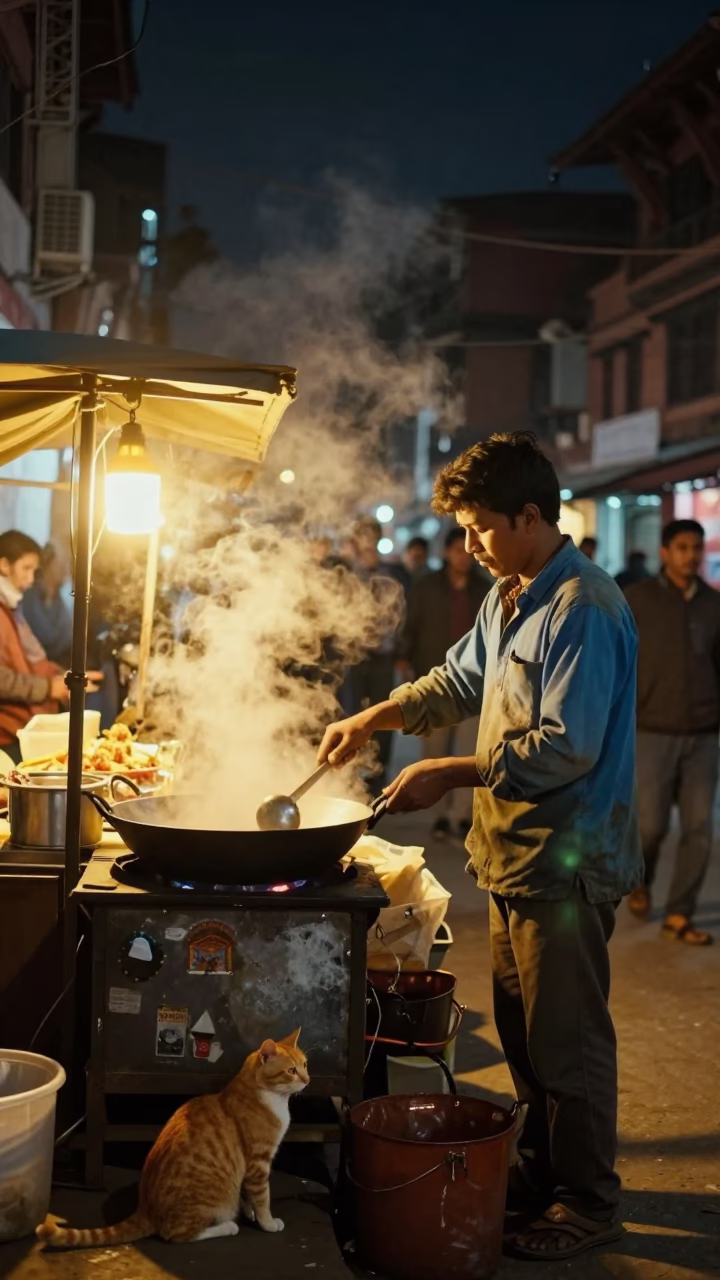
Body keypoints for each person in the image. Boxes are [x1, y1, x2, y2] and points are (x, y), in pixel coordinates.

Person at [319, 432, 642, 1260]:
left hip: (567, 863)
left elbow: (567, 748)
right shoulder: (509, 597)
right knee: (529, 1043)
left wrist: (448, 770)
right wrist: (373, 719)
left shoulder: (586, 608)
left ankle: (590, 1200)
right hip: (509, 860)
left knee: (568, 1046)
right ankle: (540, 1176)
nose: (469, 545)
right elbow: (455, 683)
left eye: (479, 526)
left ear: (530, 516)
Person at [624, 519, 720, 945]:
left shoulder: (713, 605)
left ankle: (680, 913)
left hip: (703, 733)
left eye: (696, 547)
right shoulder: (638, 601)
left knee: (699, 828)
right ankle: (640, 881)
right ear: (665, 553)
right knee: (650, 827)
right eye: (682, 547)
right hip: (651, 730)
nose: (691, 555)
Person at [401, 526, 491, 839]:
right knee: (435, 753)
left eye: (467, 551)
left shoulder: (485, 588)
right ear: (446, 553)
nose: (463, 556)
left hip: (478, 683)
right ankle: (439, 814)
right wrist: (405, 661)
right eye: (456, 550)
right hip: (434, 675)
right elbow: (411, 626)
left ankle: (462, 813)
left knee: (470, 754)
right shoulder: (427, 587)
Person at [337, 517, 405, 790]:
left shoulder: (391, 575)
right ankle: (350, 779)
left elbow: (404, 616)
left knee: (383, 718)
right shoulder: (346, 576)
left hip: (383, 658)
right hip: (353, 658)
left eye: (370, 535)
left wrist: (400, 648)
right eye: (361, 536)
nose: (366, 541)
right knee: (351, 716)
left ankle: (378, 781)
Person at [22, 542, 73, 666]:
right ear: (47, 566)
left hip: (55, 668)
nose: (66, 570)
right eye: (61, 565)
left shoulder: (60, 601)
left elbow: (67, 639)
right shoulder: (27, 598)